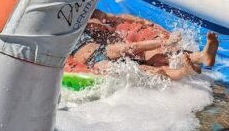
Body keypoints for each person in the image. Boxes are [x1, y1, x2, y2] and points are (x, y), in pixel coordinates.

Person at [66, 12, 218, 81]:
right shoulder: (54, 37)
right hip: (94, 59)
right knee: (144, 71)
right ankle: (184, 71)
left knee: (152, 53)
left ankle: (201, 56)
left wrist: (144, 22)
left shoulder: (86, 15)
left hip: (105, 48)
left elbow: (118, 17)